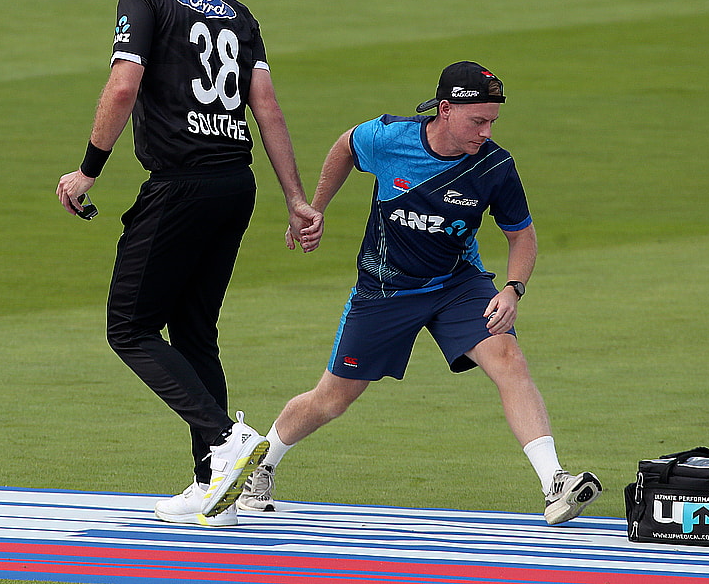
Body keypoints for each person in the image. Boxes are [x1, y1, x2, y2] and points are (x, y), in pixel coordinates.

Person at [56, 0, 322, 528]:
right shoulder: (238, 10)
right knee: (196, 331)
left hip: (179, 185)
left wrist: (88, 170)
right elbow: (268, 107)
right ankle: (213, 485)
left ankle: (223, 439)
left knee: (130, 328)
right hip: (238, 184)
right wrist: (294, 198)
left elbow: (124, 85)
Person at [237, 61, 601, 525]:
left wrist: (512, 289)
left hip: (457, 285)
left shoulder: (494, 166)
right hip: (385, 289)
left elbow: (521, 236)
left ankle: (555, 483)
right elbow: (347, 144)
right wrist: (315, 209)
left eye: (492, 122)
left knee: (509, 359)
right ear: (445, 110)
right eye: (478, 121)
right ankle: (259, 465)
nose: (486, 132)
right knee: (332, 399)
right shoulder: (391, 139)